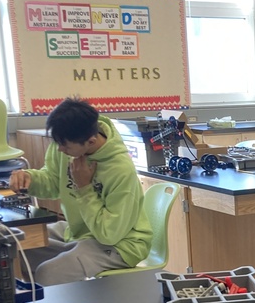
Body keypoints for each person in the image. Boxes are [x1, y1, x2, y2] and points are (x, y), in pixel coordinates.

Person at [9, 97, 151, 285]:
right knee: (14, 243)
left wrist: (84, 188)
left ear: (90, 141)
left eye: (65, 146)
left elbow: (109, 234)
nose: (60, 149)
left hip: (121, 244)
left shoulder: (120, 169)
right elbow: (52, 182)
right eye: (57, 142)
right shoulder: (67, 143)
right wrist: (29, 179)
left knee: (48, 273)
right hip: (80, 231)